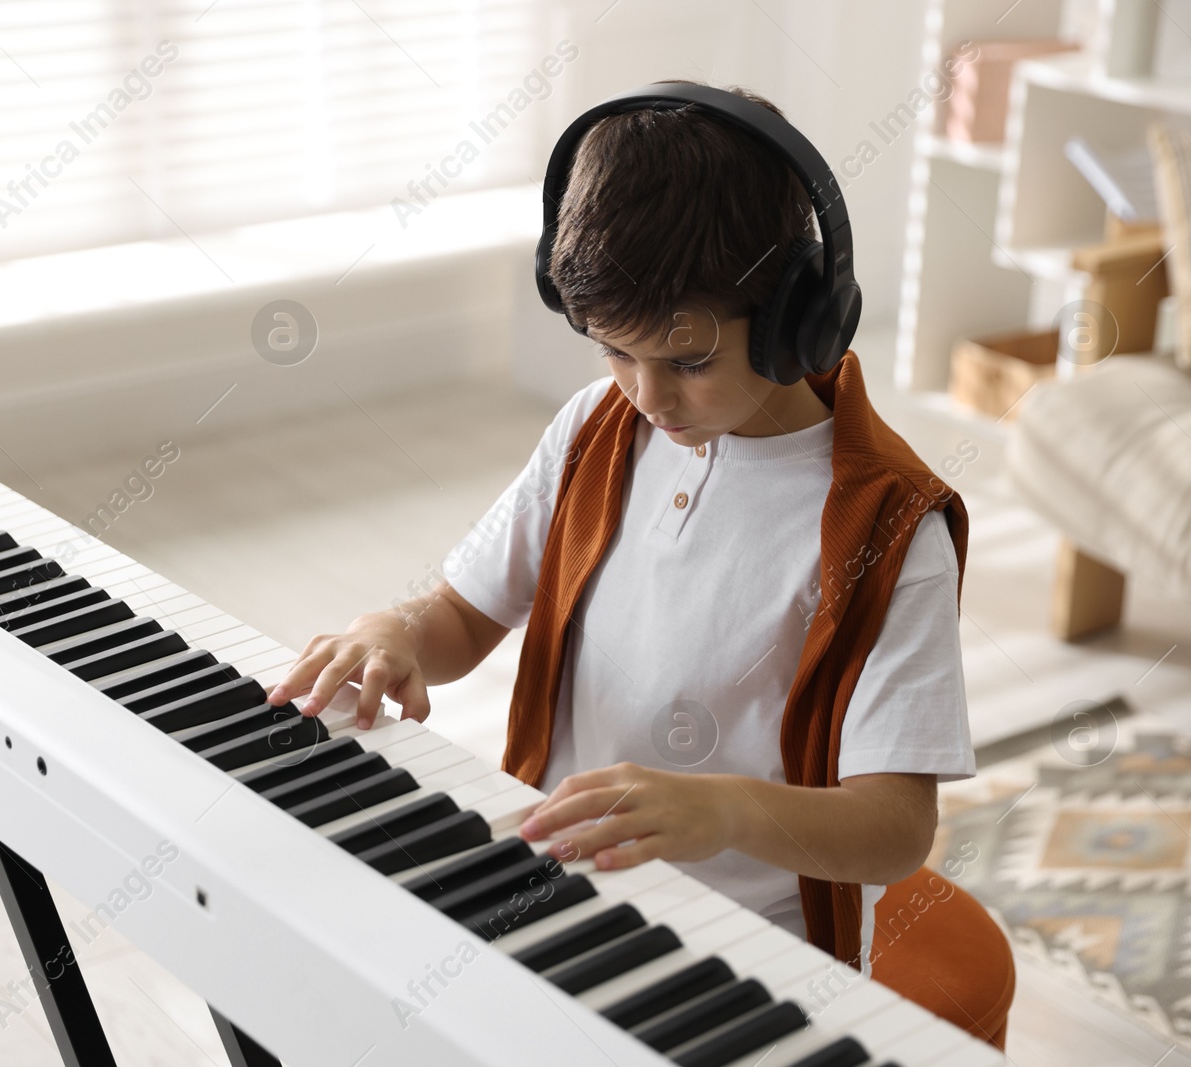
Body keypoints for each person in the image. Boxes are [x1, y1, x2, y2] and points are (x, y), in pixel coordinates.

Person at [266, 82, 975, 975]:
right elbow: (463, 616)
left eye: (688, 360)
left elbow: (896, 829)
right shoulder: (598, 429)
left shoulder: (891, 527)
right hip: (562, 898)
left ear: (800, 317)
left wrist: (721, 811)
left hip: (751, 959)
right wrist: (393, 633)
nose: (649, 396)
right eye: (614, 351)